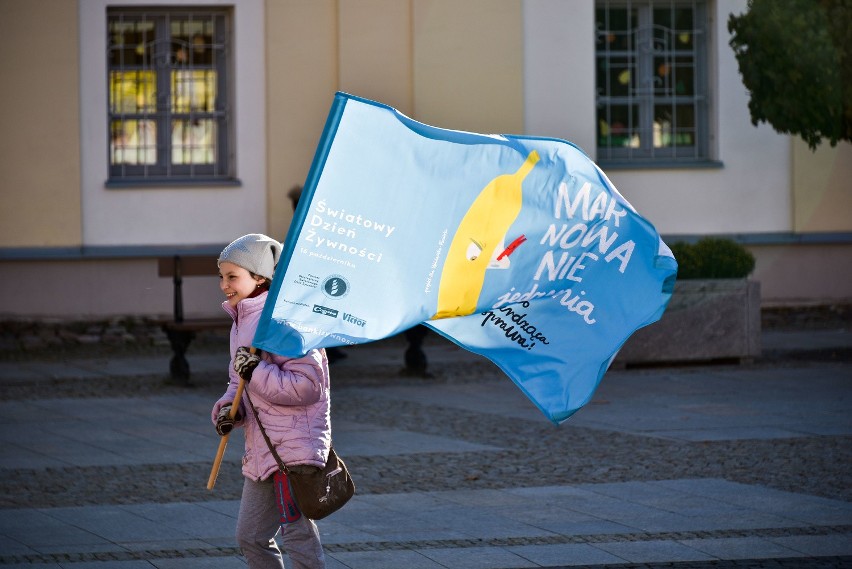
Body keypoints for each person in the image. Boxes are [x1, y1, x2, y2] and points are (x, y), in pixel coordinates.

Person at [211, 233, 330, 569]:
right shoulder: (242, 320)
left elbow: (308, 387)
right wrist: (228, 411)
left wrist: (257, 369)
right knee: (250, 536)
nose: (224, 285)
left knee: (297, 534)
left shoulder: (286, 320)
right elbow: (239, 383)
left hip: (292, 449)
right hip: (263, 448)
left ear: (260, 277)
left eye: (232, 276)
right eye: (221, 276)